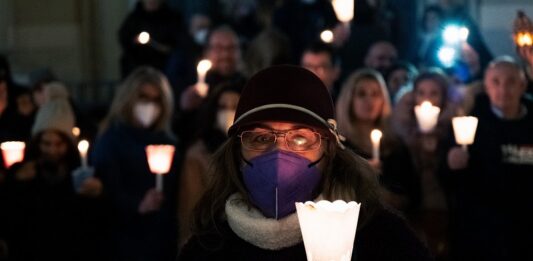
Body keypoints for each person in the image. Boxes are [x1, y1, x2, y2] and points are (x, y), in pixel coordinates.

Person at [179, 65, 433, 260]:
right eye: (260, 137)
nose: (279, 152)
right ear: (235, 153)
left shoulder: (381, 238)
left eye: (300, 138)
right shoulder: (207, 248)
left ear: (330, 151)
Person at [1, 84, 103, 260]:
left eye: (59, 144)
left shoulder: (80, 175)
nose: (52, 151)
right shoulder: (23, 173)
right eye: (46, 144)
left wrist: (98, 193)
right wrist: (15, 182)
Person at [446, 57, 533, 261]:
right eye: (496, 81)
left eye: (511, 81)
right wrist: (451, 162)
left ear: (523, 85)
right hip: (483, 230)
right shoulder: (470, 122)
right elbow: (451, 176)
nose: (503, 88)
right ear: (486, 86)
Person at [93, 67, 179, 261]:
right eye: (143, 97)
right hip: (123, 240)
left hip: (163, 239)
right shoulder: (111, 141)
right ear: (128, 99)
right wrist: (137, 205)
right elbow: (107, 191)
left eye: (156, 99)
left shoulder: (168, 142)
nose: (149, 105)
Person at [392, 69, 458, 260]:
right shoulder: (401, 130)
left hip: (445, 209)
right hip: (411, 208)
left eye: (434, 93)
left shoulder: (454, 130)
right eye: (421, 93)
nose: (426, 99)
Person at [336, 68, 420, 219]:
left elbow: (413, 195)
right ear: (349, 100)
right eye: (361, 94)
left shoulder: (394, 146)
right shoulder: (339, 147)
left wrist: (389, 197)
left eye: (375, 94)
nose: (369, 101)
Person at [178, 82, 241, 248]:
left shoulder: (253, 151)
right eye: (222, 107)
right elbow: (190, 210)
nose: (228, 111)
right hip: (212, 241)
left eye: (235, 106)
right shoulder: (197, 155)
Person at [118, 0, 186, 78]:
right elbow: (124, 37)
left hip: (163, 62)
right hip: (138, 60)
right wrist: (134, 41)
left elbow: (178, 42)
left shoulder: (172, 18)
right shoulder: (134, 18)